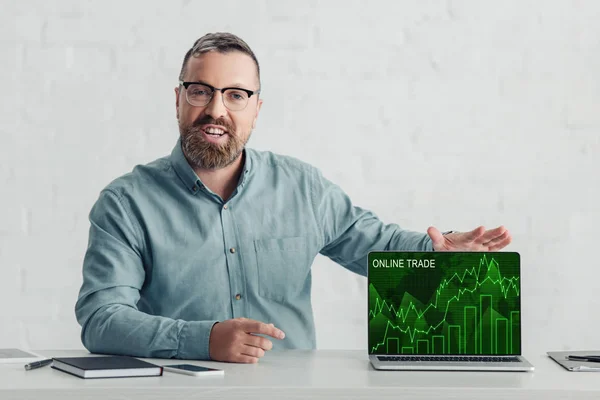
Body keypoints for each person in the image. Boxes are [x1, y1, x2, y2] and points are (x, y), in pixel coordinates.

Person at [75, 32, 512, 364]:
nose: (216, 110)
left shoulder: (302, 188)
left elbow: (374, 245)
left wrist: (437, 251)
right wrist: (203, 339)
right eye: (200, 90)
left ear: (256, 109)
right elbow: (101, 320)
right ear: (178, 100)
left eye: (236, 95)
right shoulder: (126, 203)